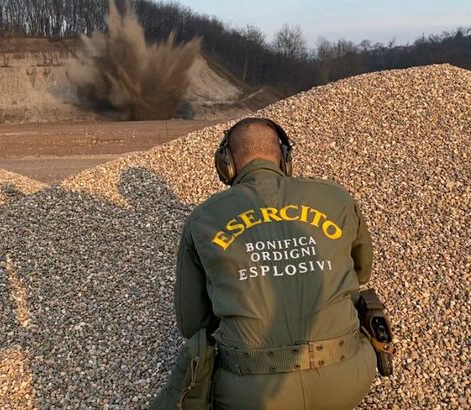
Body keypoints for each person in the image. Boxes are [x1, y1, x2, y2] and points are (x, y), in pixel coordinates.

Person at [156, 117, 377, 410]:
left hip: (249, 395)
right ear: (285, 158)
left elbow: (192, 322)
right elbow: (361, 272)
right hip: (349, 380)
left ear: (227, 165)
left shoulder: (203, 218)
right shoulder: (335, 196)